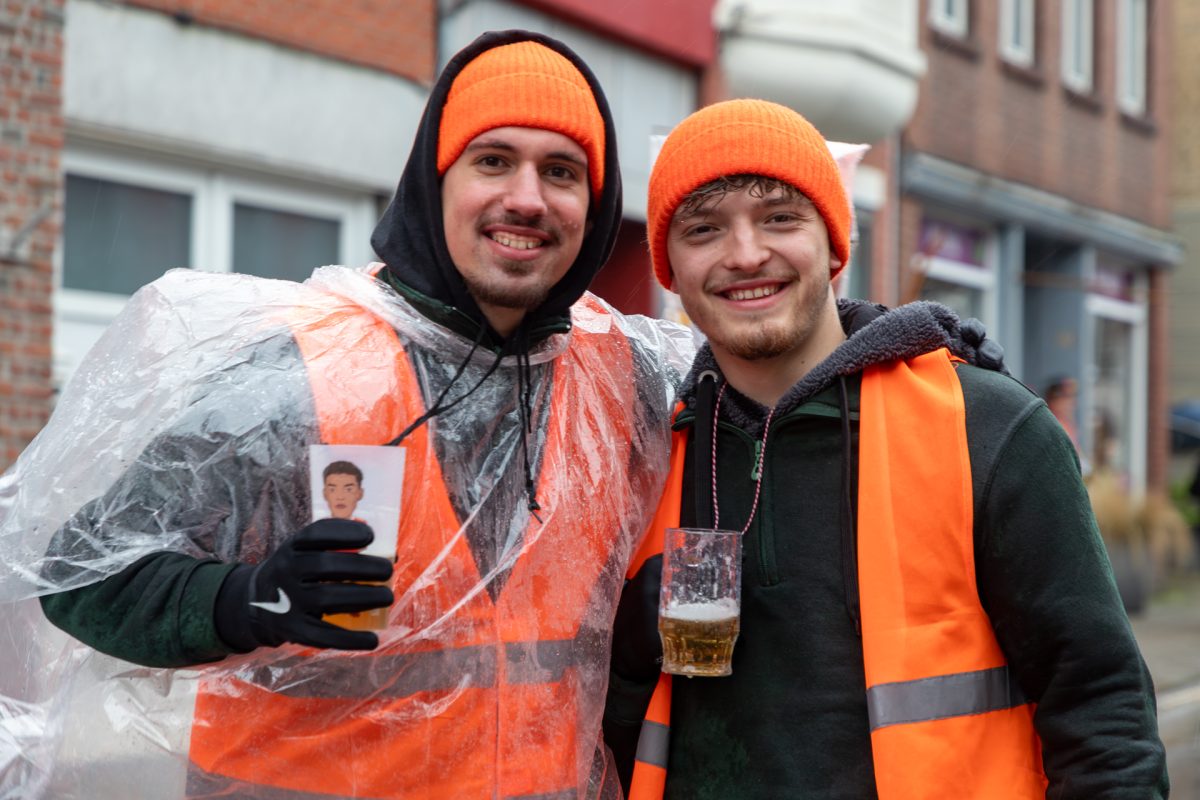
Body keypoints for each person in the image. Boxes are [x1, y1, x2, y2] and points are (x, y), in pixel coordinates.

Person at [11, 30, 690, 799]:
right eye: (493, 160)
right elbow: (79, 577)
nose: (527, 199)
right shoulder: (302, 370)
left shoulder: (623, 379)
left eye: (561, 171)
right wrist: (246, 600)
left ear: (596, 206)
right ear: (435, 184)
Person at [603, 99, 1168, 799]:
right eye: (703, 228)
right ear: (669, 267)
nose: (745, 254)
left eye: (780, 218)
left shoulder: (987, 427)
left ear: (836, 243)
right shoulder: (648, 455)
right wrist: (629, 654)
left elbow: (1103, 710)